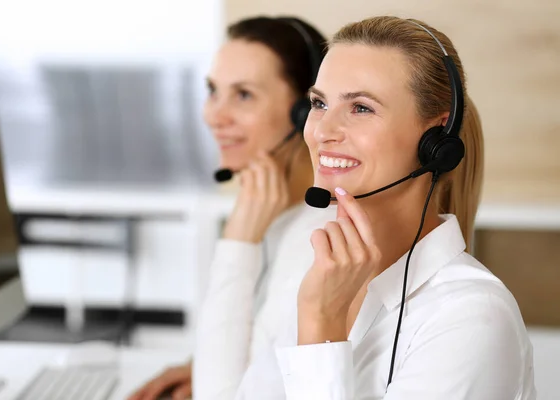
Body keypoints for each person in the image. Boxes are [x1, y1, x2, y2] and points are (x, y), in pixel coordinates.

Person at [197, 16, 536, 399]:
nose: (322, 130)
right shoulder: (327, 277)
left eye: (360, 108)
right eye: (319, 103)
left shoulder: (473, 318)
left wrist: (320, 326)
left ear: (435, 140)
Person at [127, 16, 328, 400]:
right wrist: (199, 364)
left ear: (306, 111)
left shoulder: (317, 239)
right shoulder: (276, 212)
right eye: (212, 91)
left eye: (244, 95)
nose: (214, 116)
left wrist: (238, 242)